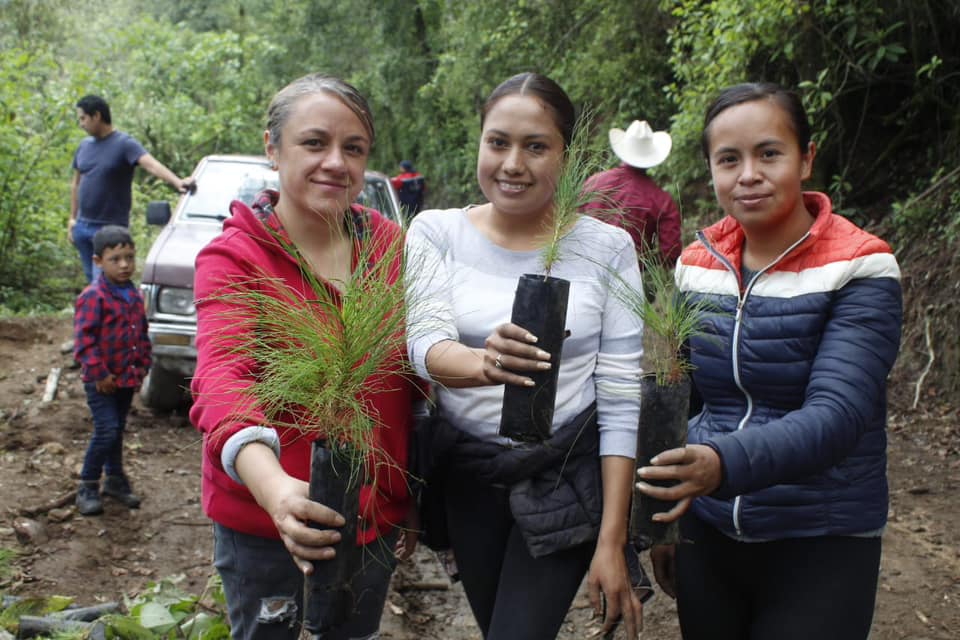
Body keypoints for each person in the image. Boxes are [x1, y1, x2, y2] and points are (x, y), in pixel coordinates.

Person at [635, 82, 903, 640]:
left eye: (769, 153)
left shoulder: (861, 267)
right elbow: (685, 400)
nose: (748, 174)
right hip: (708, 534)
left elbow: (838, 414)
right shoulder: (696, 264)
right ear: (710, 168)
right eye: (729, 159)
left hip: (820, 538)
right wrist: (665, 526)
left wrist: (719, 463)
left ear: (805, 159)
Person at [405, 72, 644, 640]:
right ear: (480, 144)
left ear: (566, 154)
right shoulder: (436, 233)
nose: (513, 163)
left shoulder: (608, 248)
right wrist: (481, 365)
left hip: (565, 472)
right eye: (498, 142)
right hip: (471, 474)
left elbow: (620, 395)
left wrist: (612, 538)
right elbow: (425, 343)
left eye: (536, 146)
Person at [189, 73, 422, 640]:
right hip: (267, 526)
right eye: (314, 143)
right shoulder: (235, 258)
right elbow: (222, 376)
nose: (335, 163)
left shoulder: (394, 249)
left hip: (371, 522)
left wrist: (409, 492)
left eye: (354, 148)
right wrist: (274, 489)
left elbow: (415, 383)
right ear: (273, 148)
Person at [69, 94, 196, 283]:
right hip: (83, 226)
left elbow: (151, 165)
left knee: (103, 283)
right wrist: (72, 219)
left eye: (83, 118)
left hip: (109, 229)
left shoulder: (124, 144)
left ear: (96, 116)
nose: (81, 124)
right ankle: (99, 313)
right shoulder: (84, 146)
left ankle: (115, 312)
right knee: (92, 282)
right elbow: (76, 184)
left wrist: (178, 182)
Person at [73, 225, 151, 516]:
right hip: (101, 382)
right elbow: (84, 340)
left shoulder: (133, 293)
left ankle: (115, 480)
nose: (124, 265)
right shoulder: (94, 296)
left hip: (126, 378)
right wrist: (99, 374)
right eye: (115, 259)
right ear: (97, 262)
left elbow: (141, 333)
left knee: (117, 431)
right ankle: (88, 484)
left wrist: (143, 365)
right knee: (106, 431)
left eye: (129, 258)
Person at [582, 120, 682, 268]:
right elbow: (670, 252)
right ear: (653, 157)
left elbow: (570, 222)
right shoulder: (661, 200)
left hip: (583, 266)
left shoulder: (593, 182)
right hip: (628, 277)